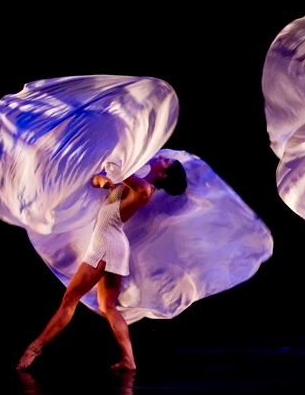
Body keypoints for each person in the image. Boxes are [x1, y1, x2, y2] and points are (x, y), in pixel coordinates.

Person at [17, 155, 188, 372]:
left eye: (165, 161)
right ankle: (129, 359)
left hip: (106, 245)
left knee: (70, 299)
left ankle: (35, 347)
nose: (161, 156)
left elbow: (117, 171)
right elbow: (103, 180)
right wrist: (102, 181)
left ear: (163, 174)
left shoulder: (144, 189)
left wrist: (110, 162)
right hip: (113, 244)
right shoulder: (133, 182)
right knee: (107, 306)